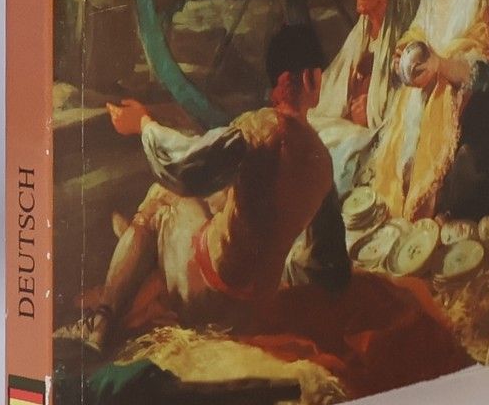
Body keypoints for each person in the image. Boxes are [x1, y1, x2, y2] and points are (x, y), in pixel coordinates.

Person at [83, 23, 348, 353]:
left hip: (206, 295)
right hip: (251, 311)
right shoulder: (321, 161)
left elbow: (184, 166)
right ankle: (142, 250)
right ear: (311, 79)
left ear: (279, 82)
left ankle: (103, 320)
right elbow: (324, 257)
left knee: (161, 197)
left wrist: (144, 124)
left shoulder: (256, 129)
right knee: (217, 203)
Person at [365, 0, 489, 220]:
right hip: (421, 88)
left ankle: (424, 209)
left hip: (457, 100)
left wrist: (439, 65)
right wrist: (404, 52)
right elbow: (418, 31)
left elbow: (481, 68)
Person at [310, 0, 404, 193]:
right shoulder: (361, 31)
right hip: (349, 122)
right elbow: (335, 79)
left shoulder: (400, 37)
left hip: (373, 132)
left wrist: (370, 111)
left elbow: (402, 102)